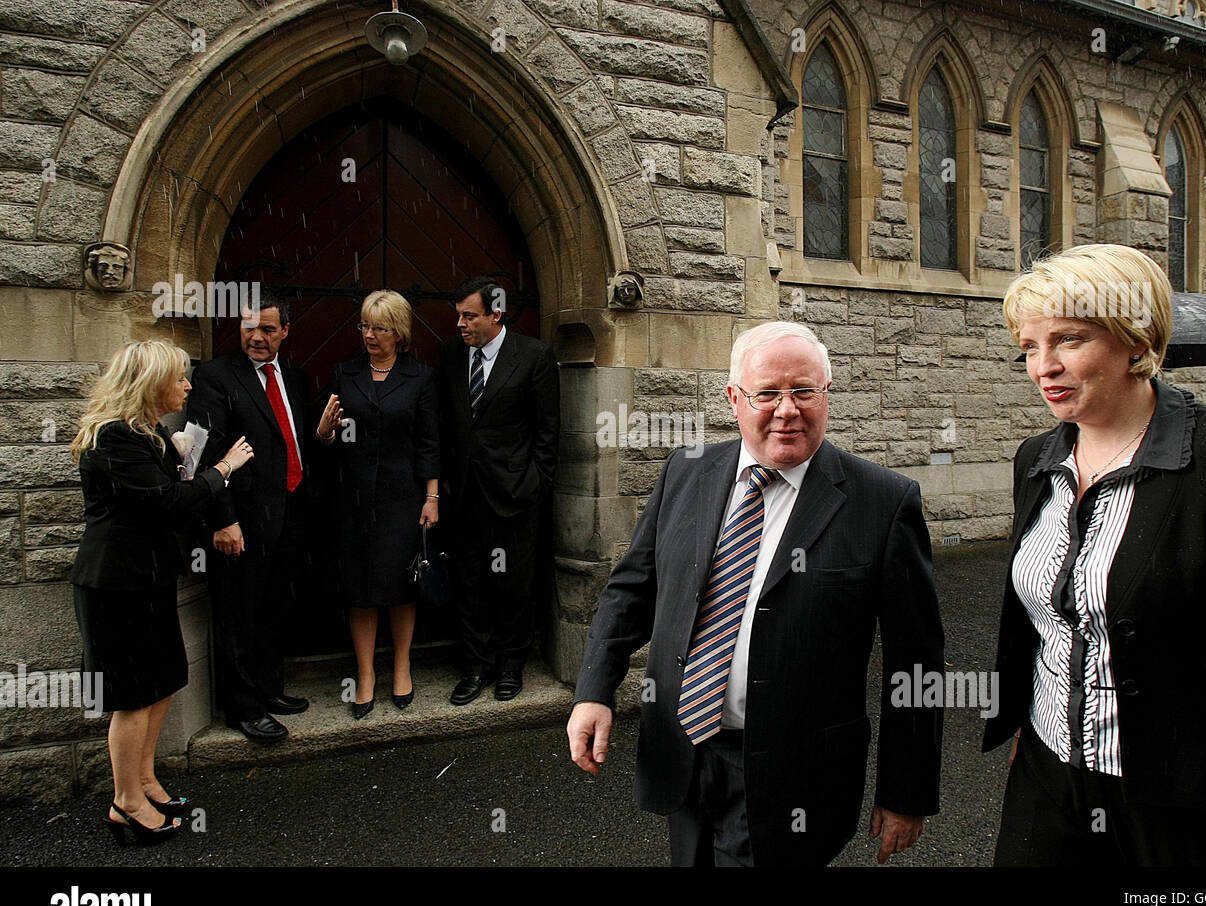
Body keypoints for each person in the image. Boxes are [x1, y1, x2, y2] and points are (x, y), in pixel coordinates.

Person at [567, 322, 946, 867]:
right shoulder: (687, 470)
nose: (787, 409)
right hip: (685, 752)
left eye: (804, 391)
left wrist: (905, 792)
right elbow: (633, 588)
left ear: (827, 395)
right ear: (734, 398)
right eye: (767, 392)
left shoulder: (882, 503)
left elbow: (915, 660)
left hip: (796, 775)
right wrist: (593, 689)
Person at [983, 243, 1206, 866]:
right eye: (1029, 347)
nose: (1043, 366)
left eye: (1070, 340)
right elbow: (1043, 621)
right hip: (1049, 775)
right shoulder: (1035, 460)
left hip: (1188, 794)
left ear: (1136, 340)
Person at [69, 341, 254, 844]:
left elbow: (160, 494)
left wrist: (179, 460)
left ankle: (145, 778)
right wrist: (223, 469)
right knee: (133, 695)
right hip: (116, 583)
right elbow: (167, 502)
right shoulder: (114, 438)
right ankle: (125, 803)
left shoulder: (146, 434)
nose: (188, 387)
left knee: (164, 678)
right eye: (179, 378)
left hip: (147, 577)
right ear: (151, 384)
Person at [187, 293, 314, 742]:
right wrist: (222, 519)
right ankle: (243, 708)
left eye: (266, 329)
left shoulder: (295, 379)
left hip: (290, 512)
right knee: (239, 612)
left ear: (284, 332)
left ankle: (268, 689)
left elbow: (292, 443)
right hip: (240, 518)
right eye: (248, 328)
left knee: (276, 607)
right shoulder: (214, 377)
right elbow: (200, 454)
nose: (256, 337)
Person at [316, 290, 439, 718]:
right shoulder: (343, 373)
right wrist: (326, 433)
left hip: (402, 499)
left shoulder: (420, 377)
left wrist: (432, 496)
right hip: (353, 498)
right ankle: (365, 674)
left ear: (399, 332)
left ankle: (402, 666)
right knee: (360, 589)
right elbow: (329, 442)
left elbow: (428, 441)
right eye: (365, 326)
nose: (370, 335)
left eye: (380, 328)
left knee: (402, 585)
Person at [439, 275, 559, 704]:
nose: (460, 324)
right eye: (458, 316)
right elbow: (446, 425)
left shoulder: (532, 355)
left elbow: (548, 432)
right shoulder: (452, 355)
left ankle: (511, 665)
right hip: (465, 496)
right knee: (470, 584)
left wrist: (534, 485)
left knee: (513, 584)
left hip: (515, 498)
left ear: (496, 313)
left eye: (468, 316)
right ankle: (476, 667)